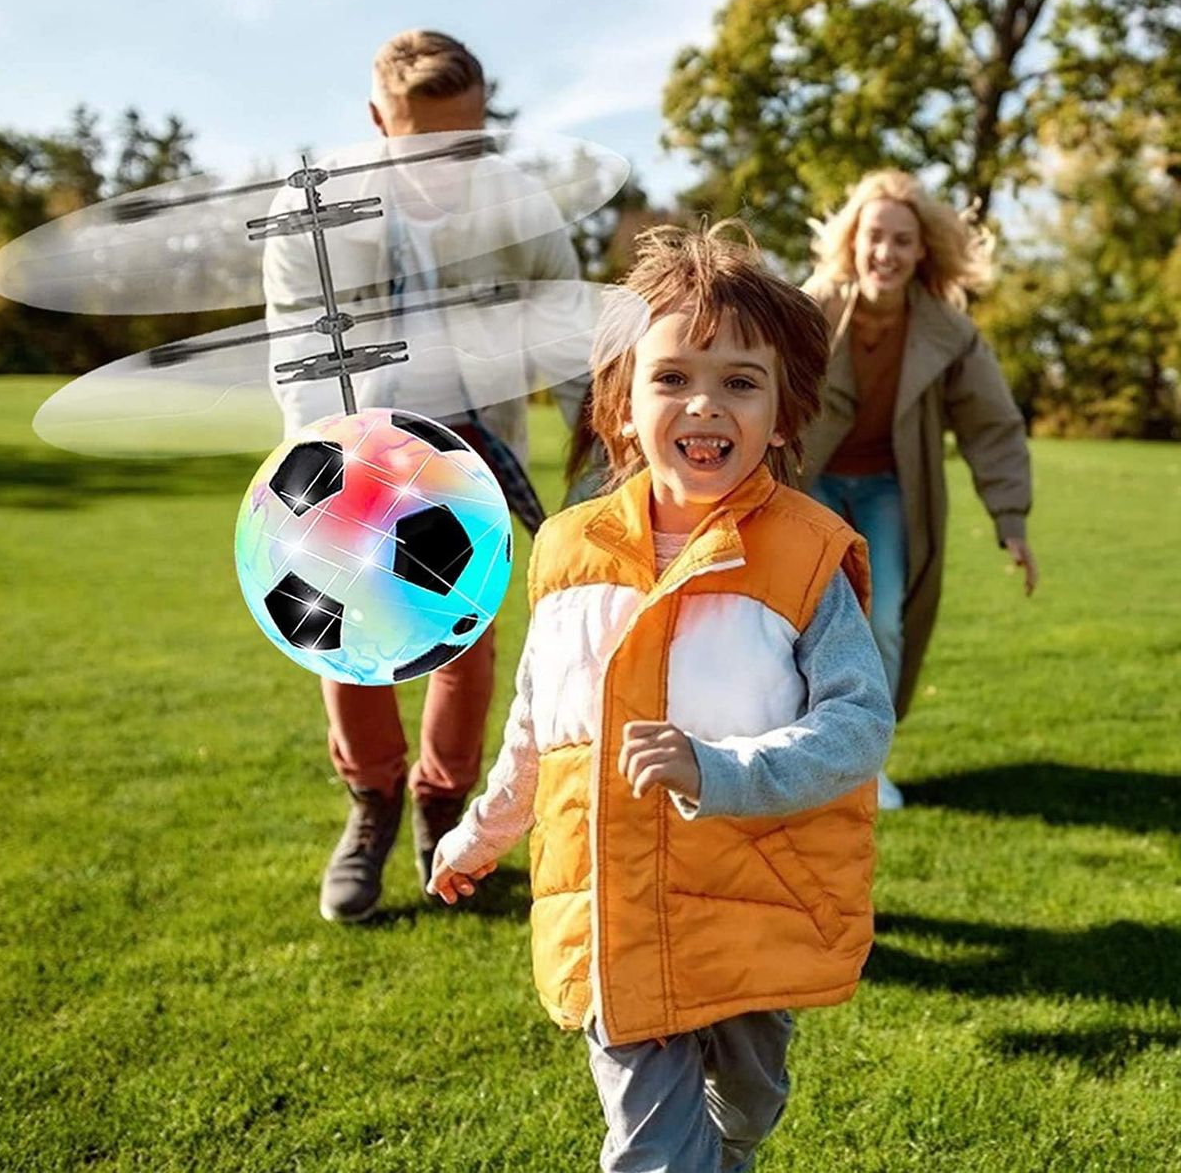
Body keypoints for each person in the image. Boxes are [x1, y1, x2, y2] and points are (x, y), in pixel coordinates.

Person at [428, 222, 895, 1172]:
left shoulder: (805, 554)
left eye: (739, 381)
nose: (704, 404)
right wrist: (480, 834)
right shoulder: (566, 551)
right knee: (652, 1152)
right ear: (624, 401)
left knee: (745, 1110)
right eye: (673, 376)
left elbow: (858, 723)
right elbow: (540, 725)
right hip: (616, 916)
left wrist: (721, 771)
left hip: (754, 903)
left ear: (783, 410)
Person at [262, 30, 587, 922]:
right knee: (344, 635)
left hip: (475, 452)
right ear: (377, 122)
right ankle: (370, 803)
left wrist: (599, 477)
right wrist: (327, 472)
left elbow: (573, 348)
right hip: (353, 444)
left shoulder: (522, 208)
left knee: (461, 641)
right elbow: (298, 348)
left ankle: (441, 809)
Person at [801, 169, 1037, 810]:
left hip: (887, 490)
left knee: (883, 622)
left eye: (902, 240)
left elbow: (993, 426)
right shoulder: (810, 308)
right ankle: (798, 748)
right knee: (807, 612)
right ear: (852, 240)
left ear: (922, 250)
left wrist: (1010, 519)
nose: (886, 252)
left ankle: (865, 765)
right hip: (809, 482)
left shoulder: (949, 333)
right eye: (875, 236)